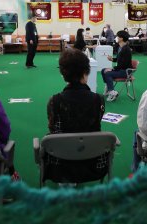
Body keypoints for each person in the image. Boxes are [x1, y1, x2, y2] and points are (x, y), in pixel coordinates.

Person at [46, 49, 107, 183]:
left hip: (60, 164)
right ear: (86, 73)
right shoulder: (99, 100)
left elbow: (53, 129)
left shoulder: (54, 101)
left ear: (63, 74)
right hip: (94, 163)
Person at [101, 30, 132, 102]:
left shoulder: (126, 49)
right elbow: (119, 60)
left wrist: (112, 69)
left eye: (117, 36)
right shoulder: (120, 47)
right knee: (103, 70)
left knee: (107, 73)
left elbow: (123, 64)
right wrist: (112, 59)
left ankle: (112, 92)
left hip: (125, 71)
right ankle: (109, 89)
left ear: (121, 38)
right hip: (121, 68)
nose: (116, 38)